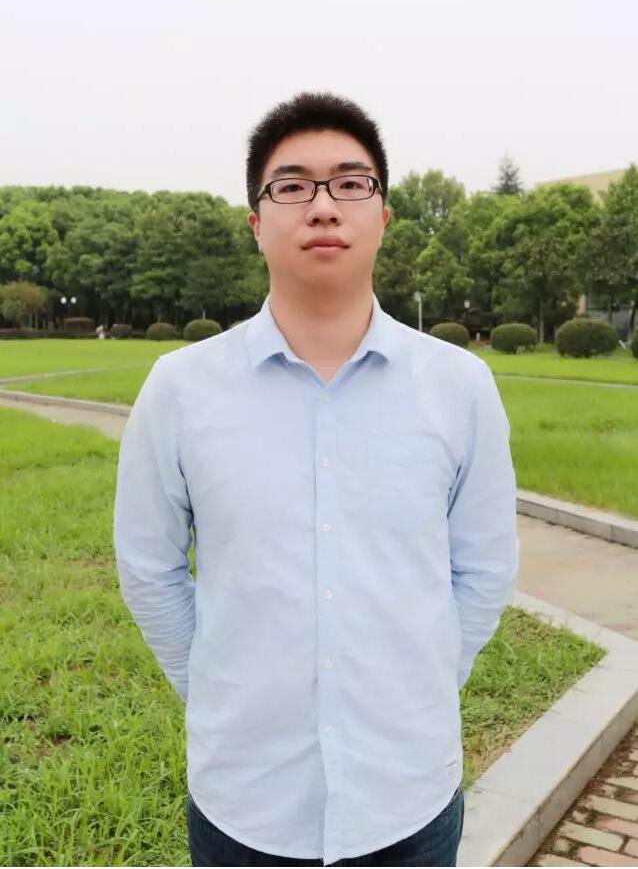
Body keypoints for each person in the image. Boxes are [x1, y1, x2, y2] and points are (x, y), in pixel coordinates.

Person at [113, 91, 520, 867]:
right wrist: (219, 688)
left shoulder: (458, 387)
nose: (323, 205)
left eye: (350, 182)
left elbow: (486, 565)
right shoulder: (182, 389)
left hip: (408, 796)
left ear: (383, 216)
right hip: (244, 802)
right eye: (293, 185)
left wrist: (427, 680)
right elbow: (149, 563)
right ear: (256, 223)